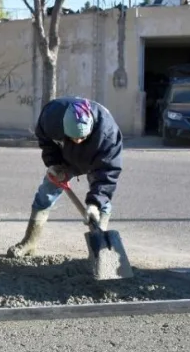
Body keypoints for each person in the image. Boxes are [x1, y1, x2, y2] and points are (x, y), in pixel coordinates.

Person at [8, 96, 123, 257]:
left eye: (82, 138)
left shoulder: (107, 136)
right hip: (66, 158)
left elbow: (107, 172)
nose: (77, 141)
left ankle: (100, 253)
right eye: (73, 137)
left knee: (101, 205)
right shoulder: (51, 116)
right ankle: (29, 242)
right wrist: (54, 164)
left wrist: (94, 203)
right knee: (45, 194)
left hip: (95, 162)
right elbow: (45, 140)